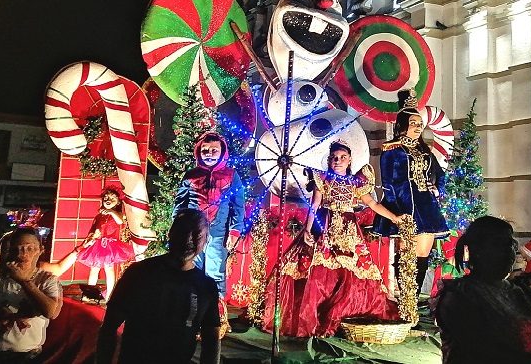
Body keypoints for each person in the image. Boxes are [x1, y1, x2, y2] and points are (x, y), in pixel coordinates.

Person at [270, 141, 401, 337]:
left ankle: (345, 315)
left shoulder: (357, 183)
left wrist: (394, 218)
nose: (337, 161)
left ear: (349, 161)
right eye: (334, 158)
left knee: (351, 272)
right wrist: (307, 230)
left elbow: (373, 204)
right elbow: (314, 206)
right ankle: (319, 317)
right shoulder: (323, 179)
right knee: (321, 273)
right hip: (325, 227)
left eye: (342, 157)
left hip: (349, 232)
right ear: (329, 161)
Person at [432, 216, 531, 363]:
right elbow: (484, 352)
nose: (510, 253)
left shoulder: (519, 292)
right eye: (501, 245)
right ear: (478, 250)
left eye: (512, 245)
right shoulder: (460, 295)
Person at [96, 209, 221, 364]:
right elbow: (109, 327)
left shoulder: (206, 287)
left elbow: (212, 340)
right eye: (183, 232)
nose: (189, 239)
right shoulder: (139, 274)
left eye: (197, 234)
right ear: (171, 233)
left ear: (206, 240)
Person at [372, 90, 449, 295]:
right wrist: (397, 212)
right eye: (413, 123)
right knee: (407, 254)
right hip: (405, 206)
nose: (417, 127)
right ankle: (405, 298)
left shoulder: (425, 150)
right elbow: (388, 183)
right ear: (403, 124)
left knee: (423, 254)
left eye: (419, 124)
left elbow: (440, 175)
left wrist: (437, 190)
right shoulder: (392, 150)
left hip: (427, 205)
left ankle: (412, 299)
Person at [175, 131, 245, 333]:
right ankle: (190, 316)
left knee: (215, 273)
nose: (209, 153)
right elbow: (180, 205)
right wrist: (178, 229)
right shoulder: (191, 176)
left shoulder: (231, 176)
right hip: (192, 232)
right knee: (191, 270)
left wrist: (234, 232)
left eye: (214, 150)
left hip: (218, 232)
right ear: (199, 151)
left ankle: (216, 320)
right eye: (205, 150)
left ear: (222, 151)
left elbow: (237, 207)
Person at [0, 228, 62, 362]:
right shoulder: (0, 278)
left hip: (27, 355)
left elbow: (50, 312)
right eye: (17, 249)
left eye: (30, 248)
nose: (23, 254)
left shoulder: (47, 280)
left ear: (40, 250)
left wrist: (24, 281)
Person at [75, 187, 135, 301]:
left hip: (110, 246)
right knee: (94, 269)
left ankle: (109, 296)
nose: (108, 199)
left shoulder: (118, 214)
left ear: (117, 202)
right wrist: (92, 236)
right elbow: (93, 229)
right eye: (106, 197)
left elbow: (120, 221)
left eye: (112, 198)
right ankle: (89, 293)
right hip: (97, 245)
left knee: (109, 269)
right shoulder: (99, 215)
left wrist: (112, 212)